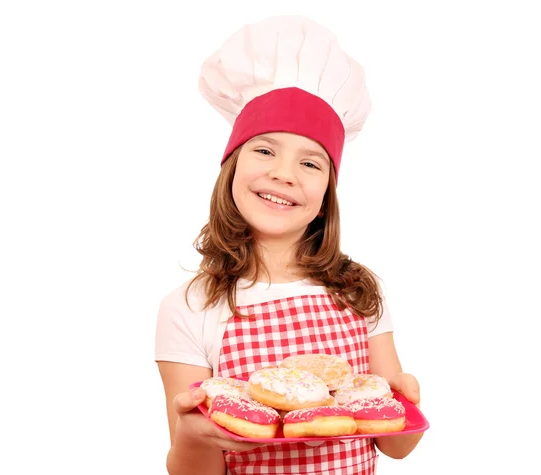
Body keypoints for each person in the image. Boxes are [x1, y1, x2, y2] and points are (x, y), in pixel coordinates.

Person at [155, 15, 424, 475]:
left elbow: (395, 447)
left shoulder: (360, 290)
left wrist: (408, 404)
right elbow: (194, 472)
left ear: (325, 198)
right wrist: (190, 434)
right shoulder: (191, 306)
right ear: (231, 170)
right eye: (264, 150)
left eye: (310, 162)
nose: (284, 173)